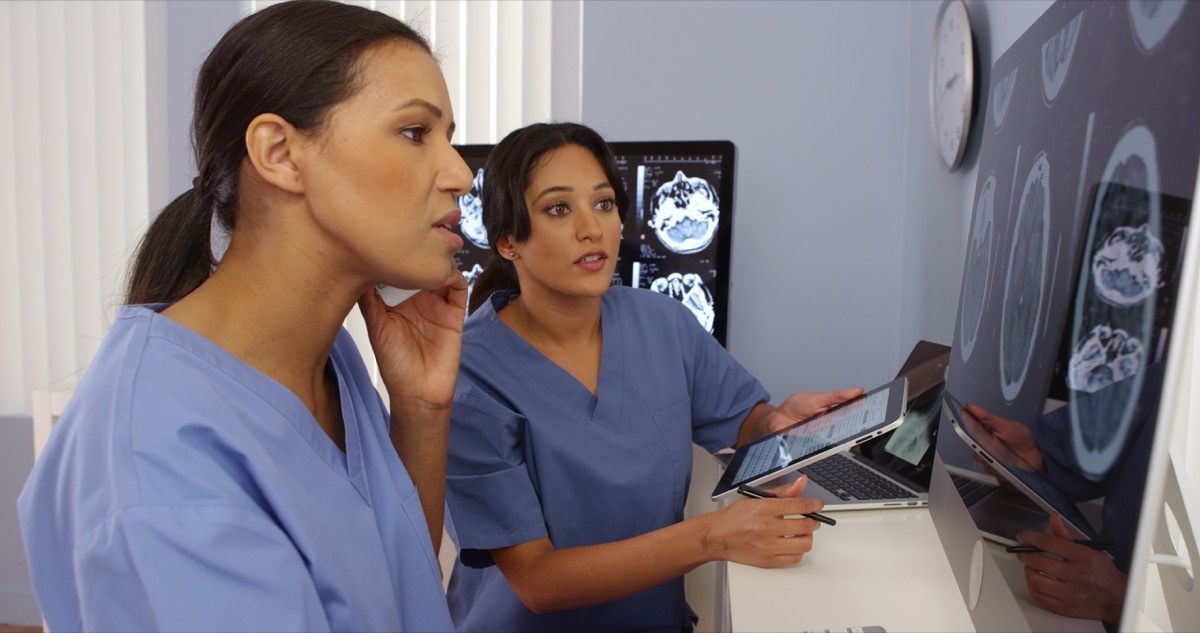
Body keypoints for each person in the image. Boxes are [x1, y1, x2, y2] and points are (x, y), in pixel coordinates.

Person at [17, 1, 473, 630]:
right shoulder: (160, 454)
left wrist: (421, 410)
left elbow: (394, 597)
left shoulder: (328, 359)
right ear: (280, 152)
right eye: (416, 133)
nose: (462, 174)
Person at [443, 121, 863, 632]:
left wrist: (778, 421)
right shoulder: (471, 377)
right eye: (559, 209)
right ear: (508, 240)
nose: (591, 228)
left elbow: (741, 424)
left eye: (603, 204)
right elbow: (537, 581)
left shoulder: (660, 322)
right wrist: (712, 537)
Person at [956, 360, 1166, 629]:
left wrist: (1126, 601)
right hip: (1078, 588)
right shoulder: (1183, 366)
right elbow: (1080, 446)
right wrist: (1033, 458)